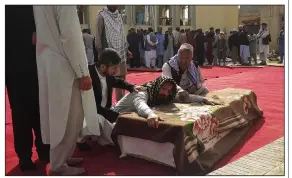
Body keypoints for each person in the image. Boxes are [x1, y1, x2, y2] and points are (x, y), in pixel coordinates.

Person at [33, 6, 93, 175]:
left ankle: (62, 157)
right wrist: (83, 72)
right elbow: (71, 35)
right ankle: (58, 165)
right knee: (69, 116)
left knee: (58, 115)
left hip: (49, 60)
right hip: (65, 64)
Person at [5, 5, 50, 172]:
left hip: (37, 64)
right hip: (15, 67)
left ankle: (44, 149)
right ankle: (24, 156)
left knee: (41, 110)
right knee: (21, 113)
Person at [77, 48, 143, 151]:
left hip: (105, 112)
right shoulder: (88, 76)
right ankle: (80, 140)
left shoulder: (107, 75)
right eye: (114, 68)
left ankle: (95, 135)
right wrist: (115, 116)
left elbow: (117, 81)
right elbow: (92, 106)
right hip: (87, 113)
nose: (116, 71)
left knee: (113, 135)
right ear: (103, 66)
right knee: (97, 121)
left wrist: (131, 87)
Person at [112, 76, 218, 128]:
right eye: (163, 89)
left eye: (168, 91)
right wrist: (150, 114)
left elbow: (183, 98)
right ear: (157, 87)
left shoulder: (162, 94)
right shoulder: (142, 92)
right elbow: (140, 105)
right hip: (113, 120)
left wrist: (203, 99)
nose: (166, 93)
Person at [95, 5, 132, 101]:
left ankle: (121, 104)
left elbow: (122, 34)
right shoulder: (101, 16)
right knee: (109, 81)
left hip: (121, 53)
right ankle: (108, 105)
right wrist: (100, 54)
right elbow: (98, 36)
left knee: (122, 79)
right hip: (108, 53)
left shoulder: (118, 16)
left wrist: (126, 50)